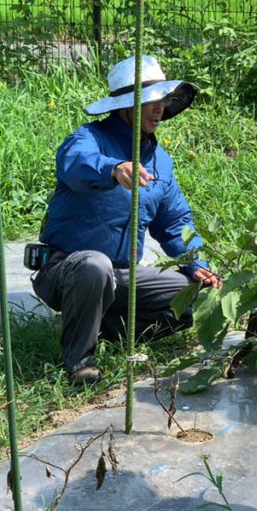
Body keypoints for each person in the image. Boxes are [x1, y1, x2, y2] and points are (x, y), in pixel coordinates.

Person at [32, 55, 221, 386]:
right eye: (150, 100)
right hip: (67, 269)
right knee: (95, 264)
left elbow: (175, 223)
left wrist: (196, 264)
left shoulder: (160, 162)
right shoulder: (89, 138)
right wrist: (112, 169)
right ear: (123, 104)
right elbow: (76, 164)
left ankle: (107, 330)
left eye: (163, 99)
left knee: (199, 297)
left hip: (123, 275)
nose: (159, 108)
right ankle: (79, 360)